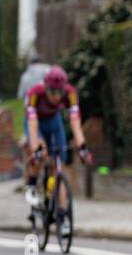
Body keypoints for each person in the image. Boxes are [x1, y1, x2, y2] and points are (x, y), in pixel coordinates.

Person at [23, 65, 88, 210]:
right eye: (52, 91)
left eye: (59, 92)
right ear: (45, 86)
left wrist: (82, 147)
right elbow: (32, 125)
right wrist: (35, 148)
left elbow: (75, 121)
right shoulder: (34, 93)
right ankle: (32, 184)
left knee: (59, 163)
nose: (56, 96)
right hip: (36, 122)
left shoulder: (70, 93)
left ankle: (62, 210)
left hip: (54, 121)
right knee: (42, 152)